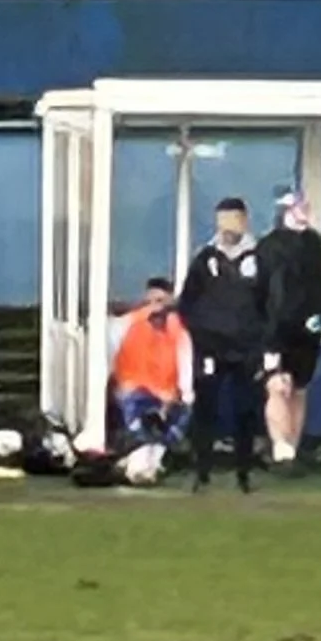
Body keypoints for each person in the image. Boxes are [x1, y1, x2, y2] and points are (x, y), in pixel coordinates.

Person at [254, 188, 321, 466]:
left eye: (305, 207)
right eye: (297, 208)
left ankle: (292, 449)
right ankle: (281, 448)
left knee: (298, 388)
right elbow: (259, 294)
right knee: (277, 385)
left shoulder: (318, 246)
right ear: (283, 212)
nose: (304, 213)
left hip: (308, 333)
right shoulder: (268, 248)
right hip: (274, 331)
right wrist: (264, 334)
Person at [176, 196, 265, 492]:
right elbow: (187, 303)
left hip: (247, 349)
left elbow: (271, 302)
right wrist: (202, 334)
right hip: (210, 349)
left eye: (232, 219)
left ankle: (244, 473)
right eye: (221, 220)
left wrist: (260, 339)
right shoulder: (205, 259)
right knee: (206, 410)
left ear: (244, 220)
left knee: (245, 411)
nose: (226, 227)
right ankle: (201, 472)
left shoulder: (260, 259)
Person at [109, 277, 192, 452]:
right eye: (149, 302)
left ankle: (161, 445)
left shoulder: (181, 331)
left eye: (160, 301)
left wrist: (179, 397)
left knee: (186, 410)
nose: (154, 306)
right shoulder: (126, 324)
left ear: (171, 301)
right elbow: (107, 360)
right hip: (134, 391)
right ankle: (142, 443)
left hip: (167, 397)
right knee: (132, 404)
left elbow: (186, 371)